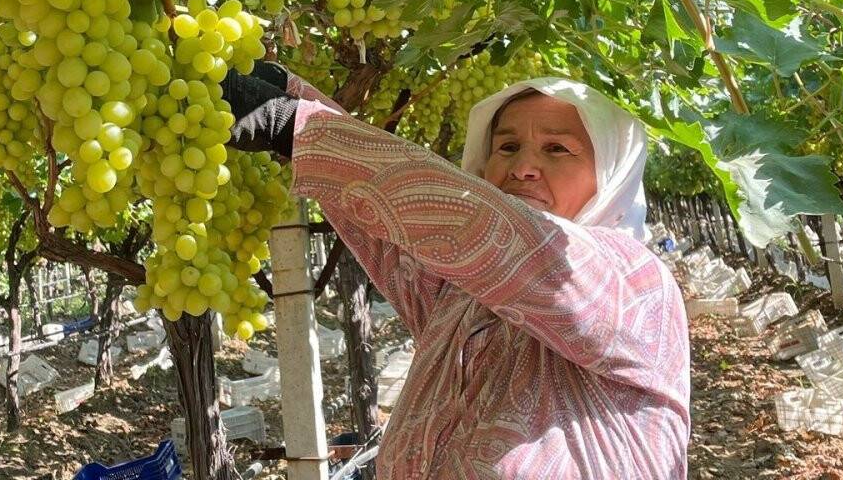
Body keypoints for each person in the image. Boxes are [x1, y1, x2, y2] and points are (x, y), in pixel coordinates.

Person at [221, 62, 690, 479]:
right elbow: (388, 218)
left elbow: (486, 228)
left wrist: (293, 127)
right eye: (506, 146)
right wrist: (295, 92)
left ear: (611, 175)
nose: (523, 166)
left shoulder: (634, 282)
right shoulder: (464, 295)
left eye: (557, 149)